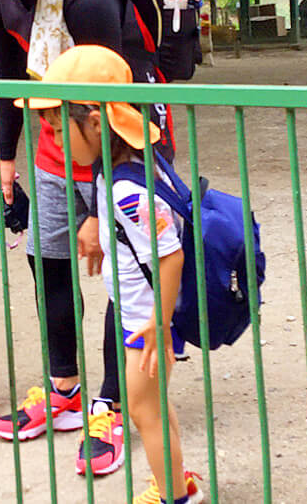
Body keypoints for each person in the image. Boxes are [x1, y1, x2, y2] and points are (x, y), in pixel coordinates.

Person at [0, 0, 177, 476]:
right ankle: (66, 391)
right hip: (55, 138)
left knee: (121, 273)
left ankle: (112, 401)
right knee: (48, 261)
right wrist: (5, 158)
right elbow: (10, 74)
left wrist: (94, 208)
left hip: (123, 146)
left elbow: (107, 106)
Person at [22, 45, 203, 504]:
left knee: (144, 410)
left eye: (59, 129)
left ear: (97, 123)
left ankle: (175, 498)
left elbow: (171, 254)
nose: (56, 142)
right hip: (141, 314)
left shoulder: (125, 187)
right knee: (155, 407)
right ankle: (178, 484)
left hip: (147, 319)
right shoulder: (115, 170)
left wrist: (159, 325)